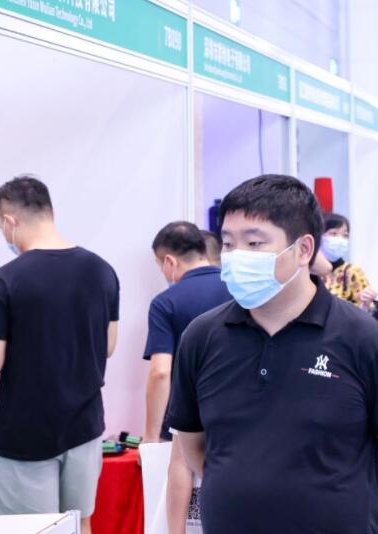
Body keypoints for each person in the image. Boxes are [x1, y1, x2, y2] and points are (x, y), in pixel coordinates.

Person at [167, 174, 378, 533]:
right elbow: (193, 445)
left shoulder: (365, 341)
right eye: (227, 243)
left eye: (254, 243)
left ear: (303, 249)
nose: (237, 257)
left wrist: (359, 518)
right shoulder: (202, 337)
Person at [0, 176, 119, 533]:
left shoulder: (4, 281)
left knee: (33, 528)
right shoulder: (102, 270)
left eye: (1, 227)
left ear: (10, 220)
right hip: (84, 426)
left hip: (25, 431)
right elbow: (109, 346)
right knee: (80, 522)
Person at [143, 221, 232, 534]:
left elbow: (161, 371)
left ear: (169, 261)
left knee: (180, 462)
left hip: (191, 410)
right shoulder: (238, 290)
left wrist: (150, 436)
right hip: (239, 408)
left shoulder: (166, 302)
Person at [320, 213, 378, 309]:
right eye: (333, 234)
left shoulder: (352, 272)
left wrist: (366, 303)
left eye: (345, 235)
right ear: (319, 236)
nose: (340, 239)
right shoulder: (308, 271)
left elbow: (365, 312)